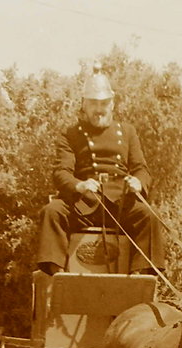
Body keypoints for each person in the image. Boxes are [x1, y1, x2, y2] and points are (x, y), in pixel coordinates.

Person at [36, 64, 165, 275]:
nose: (99, 109)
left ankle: (140, 277)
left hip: (119, 203)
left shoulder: (128, 132)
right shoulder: (70, 134)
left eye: (104, 103)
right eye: (94, 103)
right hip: (84, 202)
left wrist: (138, 182)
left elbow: (142, 168)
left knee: (149, 216)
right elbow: (61, 172)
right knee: (52, 211)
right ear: (84, 105)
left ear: (112, 104)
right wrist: (80, 185)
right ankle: (56, 275)